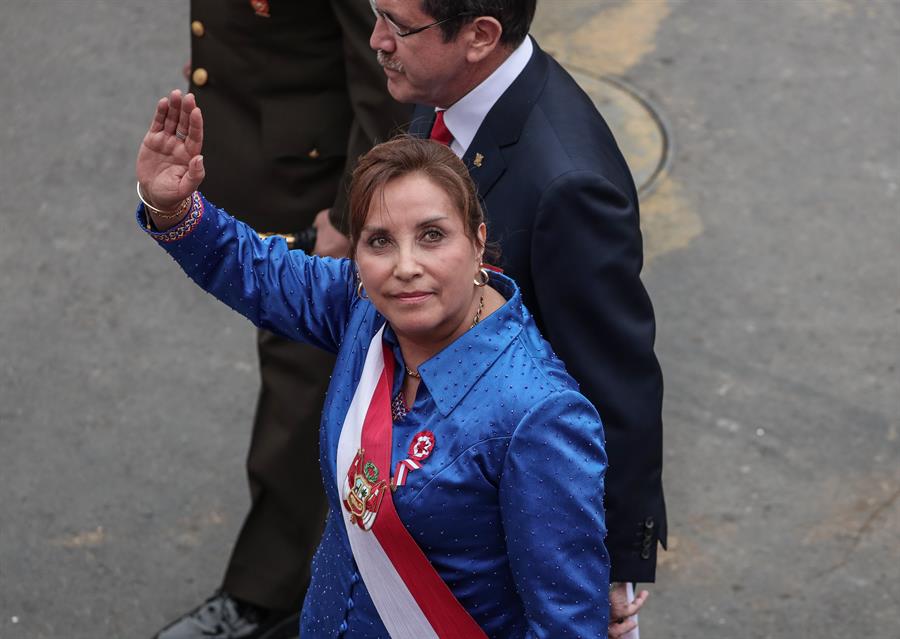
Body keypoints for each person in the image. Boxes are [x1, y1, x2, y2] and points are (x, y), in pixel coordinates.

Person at [135, 89, 611, 637]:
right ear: (357, 255)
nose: (405, 266)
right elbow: (255, 272)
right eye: (380, 241)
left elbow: (568, 625)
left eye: (432, 236)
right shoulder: (365, 308)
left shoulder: (539, 414)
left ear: (478, 242)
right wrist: (170, 206)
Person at [318, 2, 668, 635]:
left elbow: (614, 378)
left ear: (479, 36)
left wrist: (613, 567)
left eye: (397, 25)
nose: (377, 41)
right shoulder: (444, 88)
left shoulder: (569, 183)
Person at [155, 2, 411, 637]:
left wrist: (358, 212)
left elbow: (388, 73)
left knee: (303, 386)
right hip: (261, 144)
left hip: (321, 184)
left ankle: (264, 595)